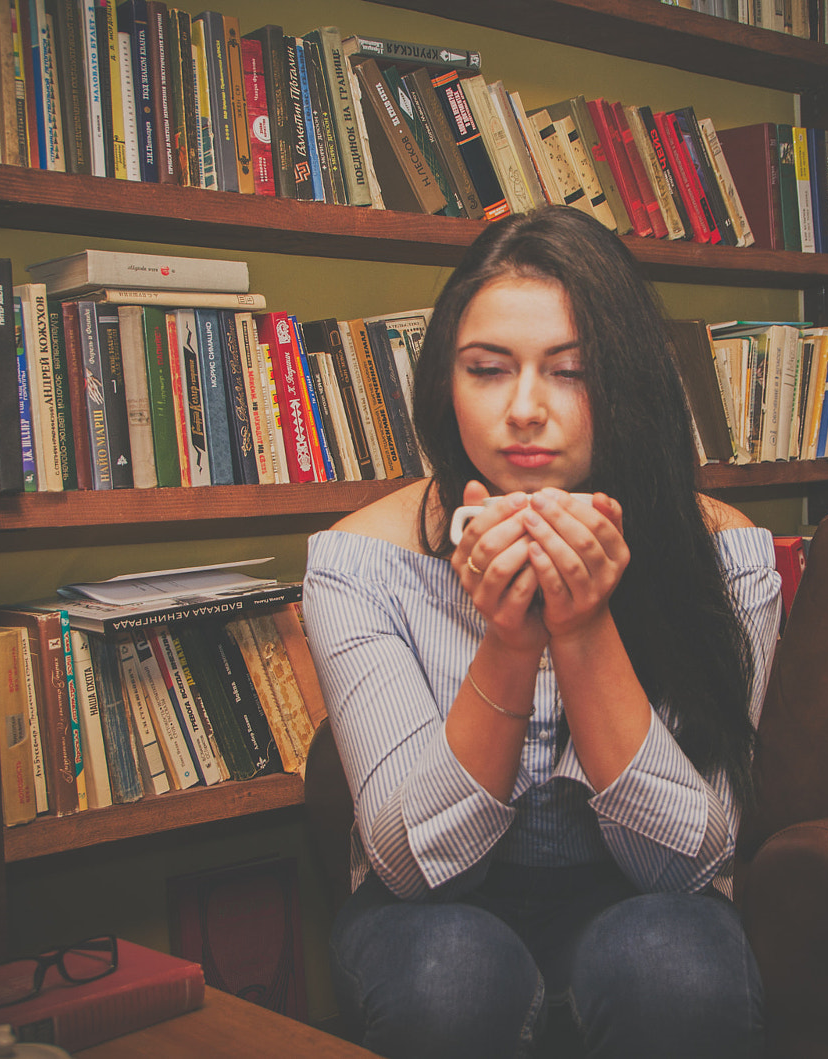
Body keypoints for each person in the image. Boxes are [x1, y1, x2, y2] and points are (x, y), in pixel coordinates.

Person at [302, 205, 780, 1059]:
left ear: (628, 383)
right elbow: (414, 870)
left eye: (570, 372)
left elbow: (688, 864)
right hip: (433, 912)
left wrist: (584, 624)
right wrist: (512, 640)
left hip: (640, 897)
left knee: (673, 965)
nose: (524, 410)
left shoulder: (727, 557)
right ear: (445, 386)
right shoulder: (357, 564)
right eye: (488, 369)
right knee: (450, 975)